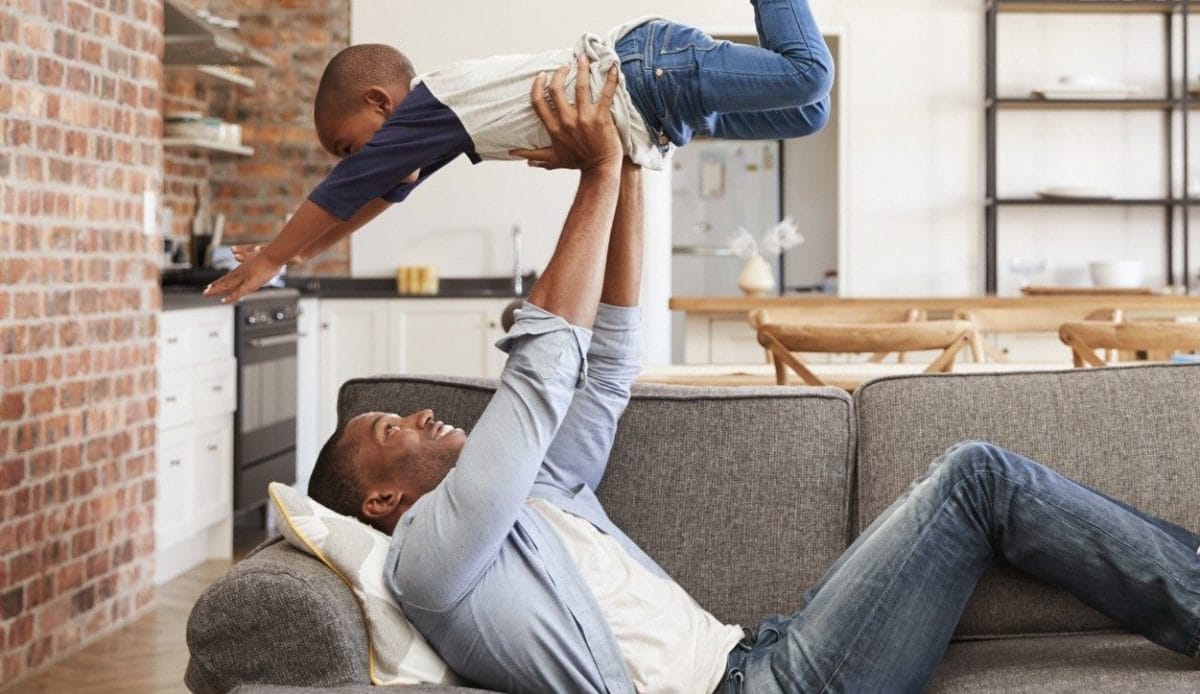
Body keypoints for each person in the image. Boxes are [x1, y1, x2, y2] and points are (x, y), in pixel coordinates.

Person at [306, 68, 1200, 694]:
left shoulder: (540, 488)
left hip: (767, 645)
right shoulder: (432, 557)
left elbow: (609, 360)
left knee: (972, 477)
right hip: (762, 686)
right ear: (383, 502)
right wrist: (599, 172)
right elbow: (541, 373)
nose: (420, 414)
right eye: (391, 429)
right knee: (977, 478)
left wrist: (632, 154)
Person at [203, 0, 834, 304]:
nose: (352, 161)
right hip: (662, 107)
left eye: (348, 145)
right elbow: (369, 198)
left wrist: (271, 258)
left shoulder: (434, 106)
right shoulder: (439, 133)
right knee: (807, 114)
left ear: (380, 103)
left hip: (647, 72)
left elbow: (346, 187)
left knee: (807, 74)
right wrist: (298, 254)